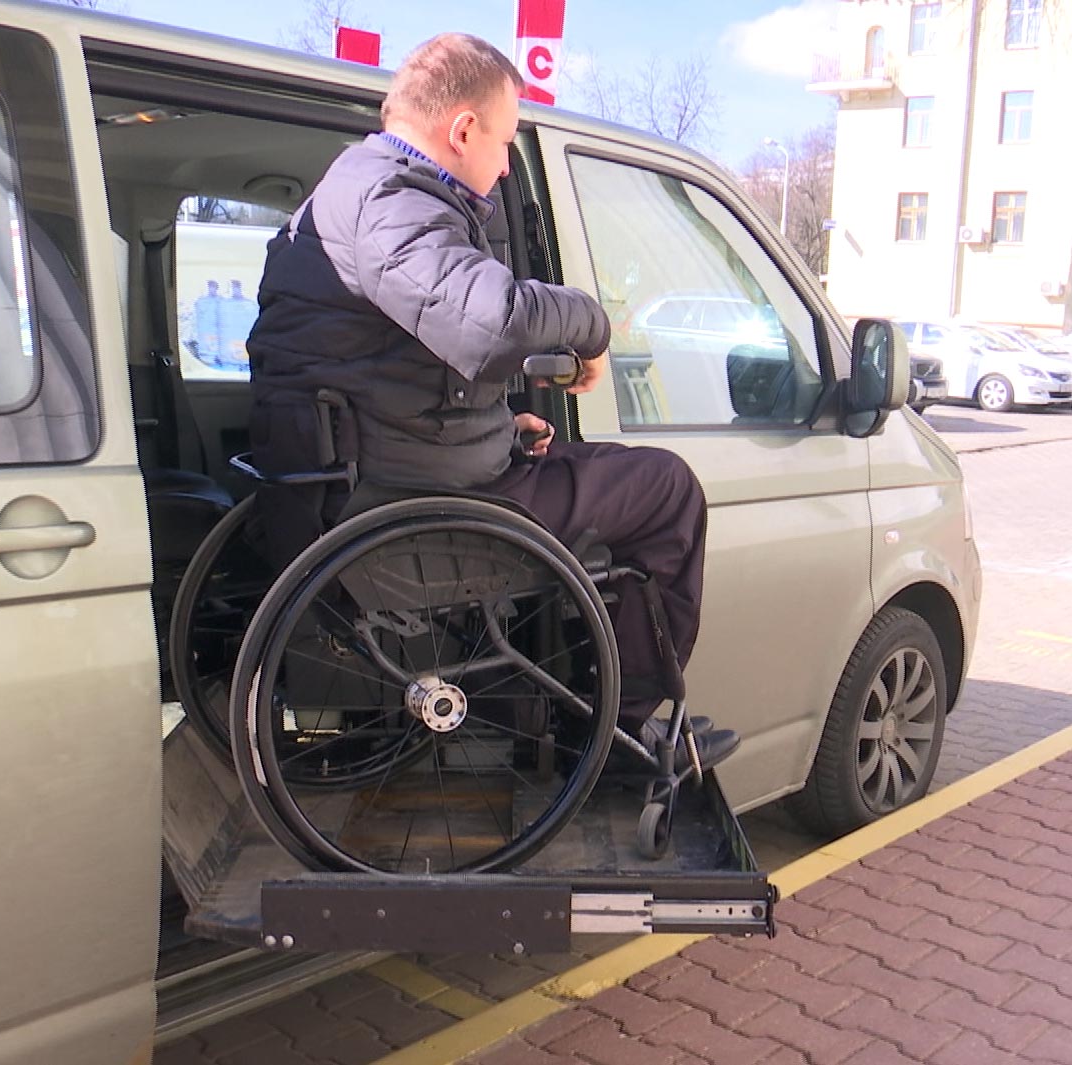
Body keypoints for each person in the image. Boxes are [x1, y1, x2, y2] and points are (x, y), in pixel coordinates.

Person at [244, 32, 736, 769]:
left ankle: (581, 709)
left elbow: (387, 365)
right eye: (505, 141)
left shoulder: (353, 189)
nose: (506, 163)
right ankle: (626, 736)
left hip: (371, 475)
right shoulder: (392, 199)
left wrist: (500, 423)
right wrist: (591, 325)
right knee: (667, 492)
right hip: (406, 508)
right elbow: (491, 321)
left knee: (576, 462)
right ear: (463, 129)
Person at [191, 280, 223, 367]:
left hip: (217, 332)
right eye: (210, 287)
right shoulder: (202, 301)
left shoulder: (221, 301)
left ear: (216, 288)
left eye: (213, 287)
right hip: (205, 331)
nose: (211, 289)